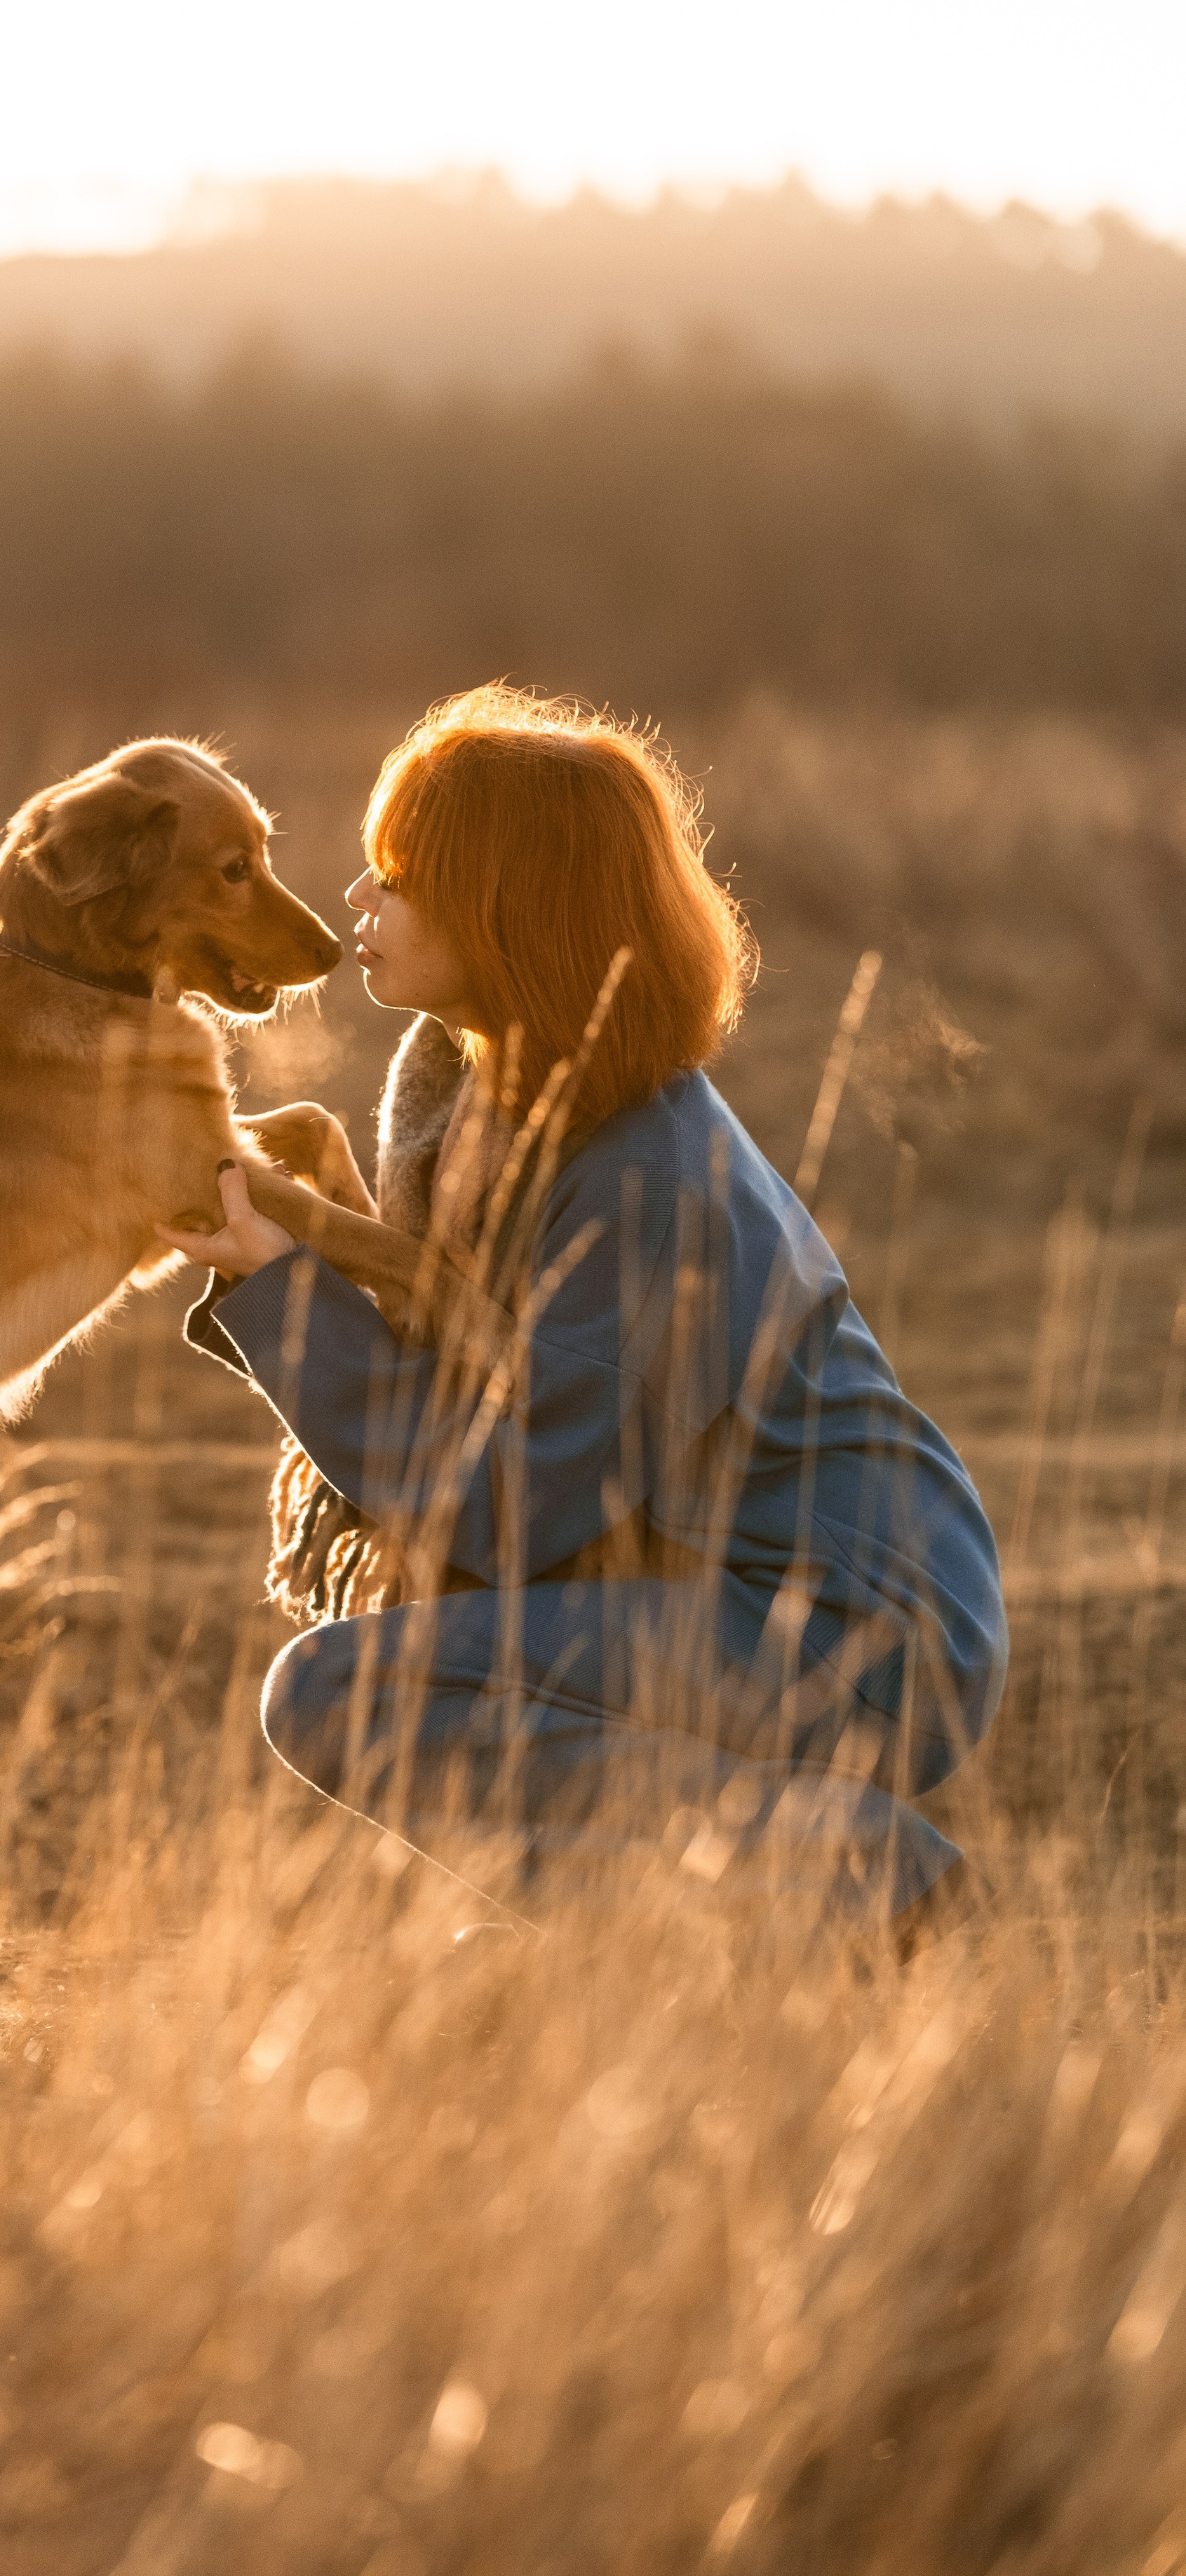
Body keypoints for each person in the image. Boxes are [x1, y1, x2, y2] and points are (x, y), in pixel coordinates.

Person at [163, 685, 1007, 1943]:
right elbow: (459, 1376)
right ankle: (616, 1940)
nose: (357, 902)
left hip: (856, 1629)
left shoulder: (647, 1182)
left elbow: (503, 1504)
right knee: (383, 1691)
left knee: (344, 1693)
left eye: (398, 876)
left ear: (510, 909)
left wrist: (289, 1298)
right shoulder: (468, 1106)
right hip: (720, 1587)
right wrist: (289, 1254)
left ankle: (871, 1878)